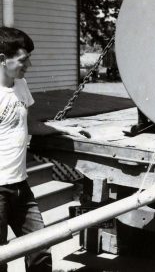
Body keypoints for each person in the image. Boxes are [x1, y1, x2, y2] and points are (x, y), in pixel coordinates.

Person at [0, 26, 90, 272]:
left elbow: (28, 123)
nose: (28, 65)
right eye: (22, 60)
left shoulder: (21, 85)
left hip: (20, 185)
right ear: (2, 60)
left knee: (40, 247)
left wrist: (64, 130)